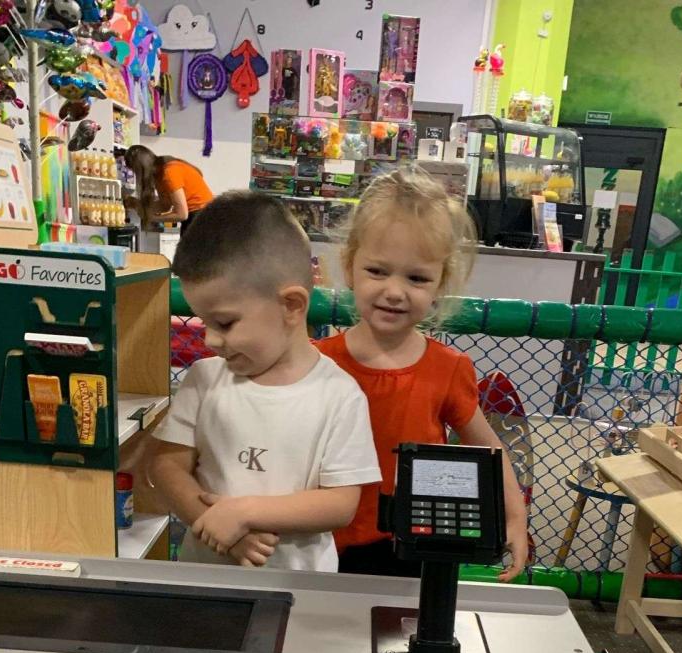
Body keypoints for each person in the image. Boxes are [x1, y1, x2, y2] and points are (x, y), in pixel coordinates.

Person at [148, 191, 381, 571]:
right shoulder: (205, 379)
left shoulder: (339, 395)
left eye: (224, 323)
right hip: (206, 582)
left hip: (300, 589)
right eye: (204, 322)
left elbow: (340, 502)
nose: (210, 340)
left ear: (291, 306)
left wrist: (244, 513)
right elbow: (166, 467)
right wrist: (220, 532)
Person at [320, 168, 529, 581]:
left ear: (440, 284)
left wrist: (515, 517)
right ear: (349, 266)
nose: (394, 291)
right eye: (377, 271)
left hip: (417, 546)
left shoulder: (446, 369)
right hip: (323, 540)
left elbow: (489, 451)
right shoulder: (316, 363)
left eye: (416, 278)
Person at [124, 145, 213, 235]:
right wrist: (138, 205)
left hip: (203, 217)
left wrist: (153, 218)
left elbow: (182, 214)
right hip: (198, 217)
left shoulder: (169, 172)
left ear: (142, 168)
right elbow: (164, 205)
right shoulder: (159, 174)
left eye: (136, 171)